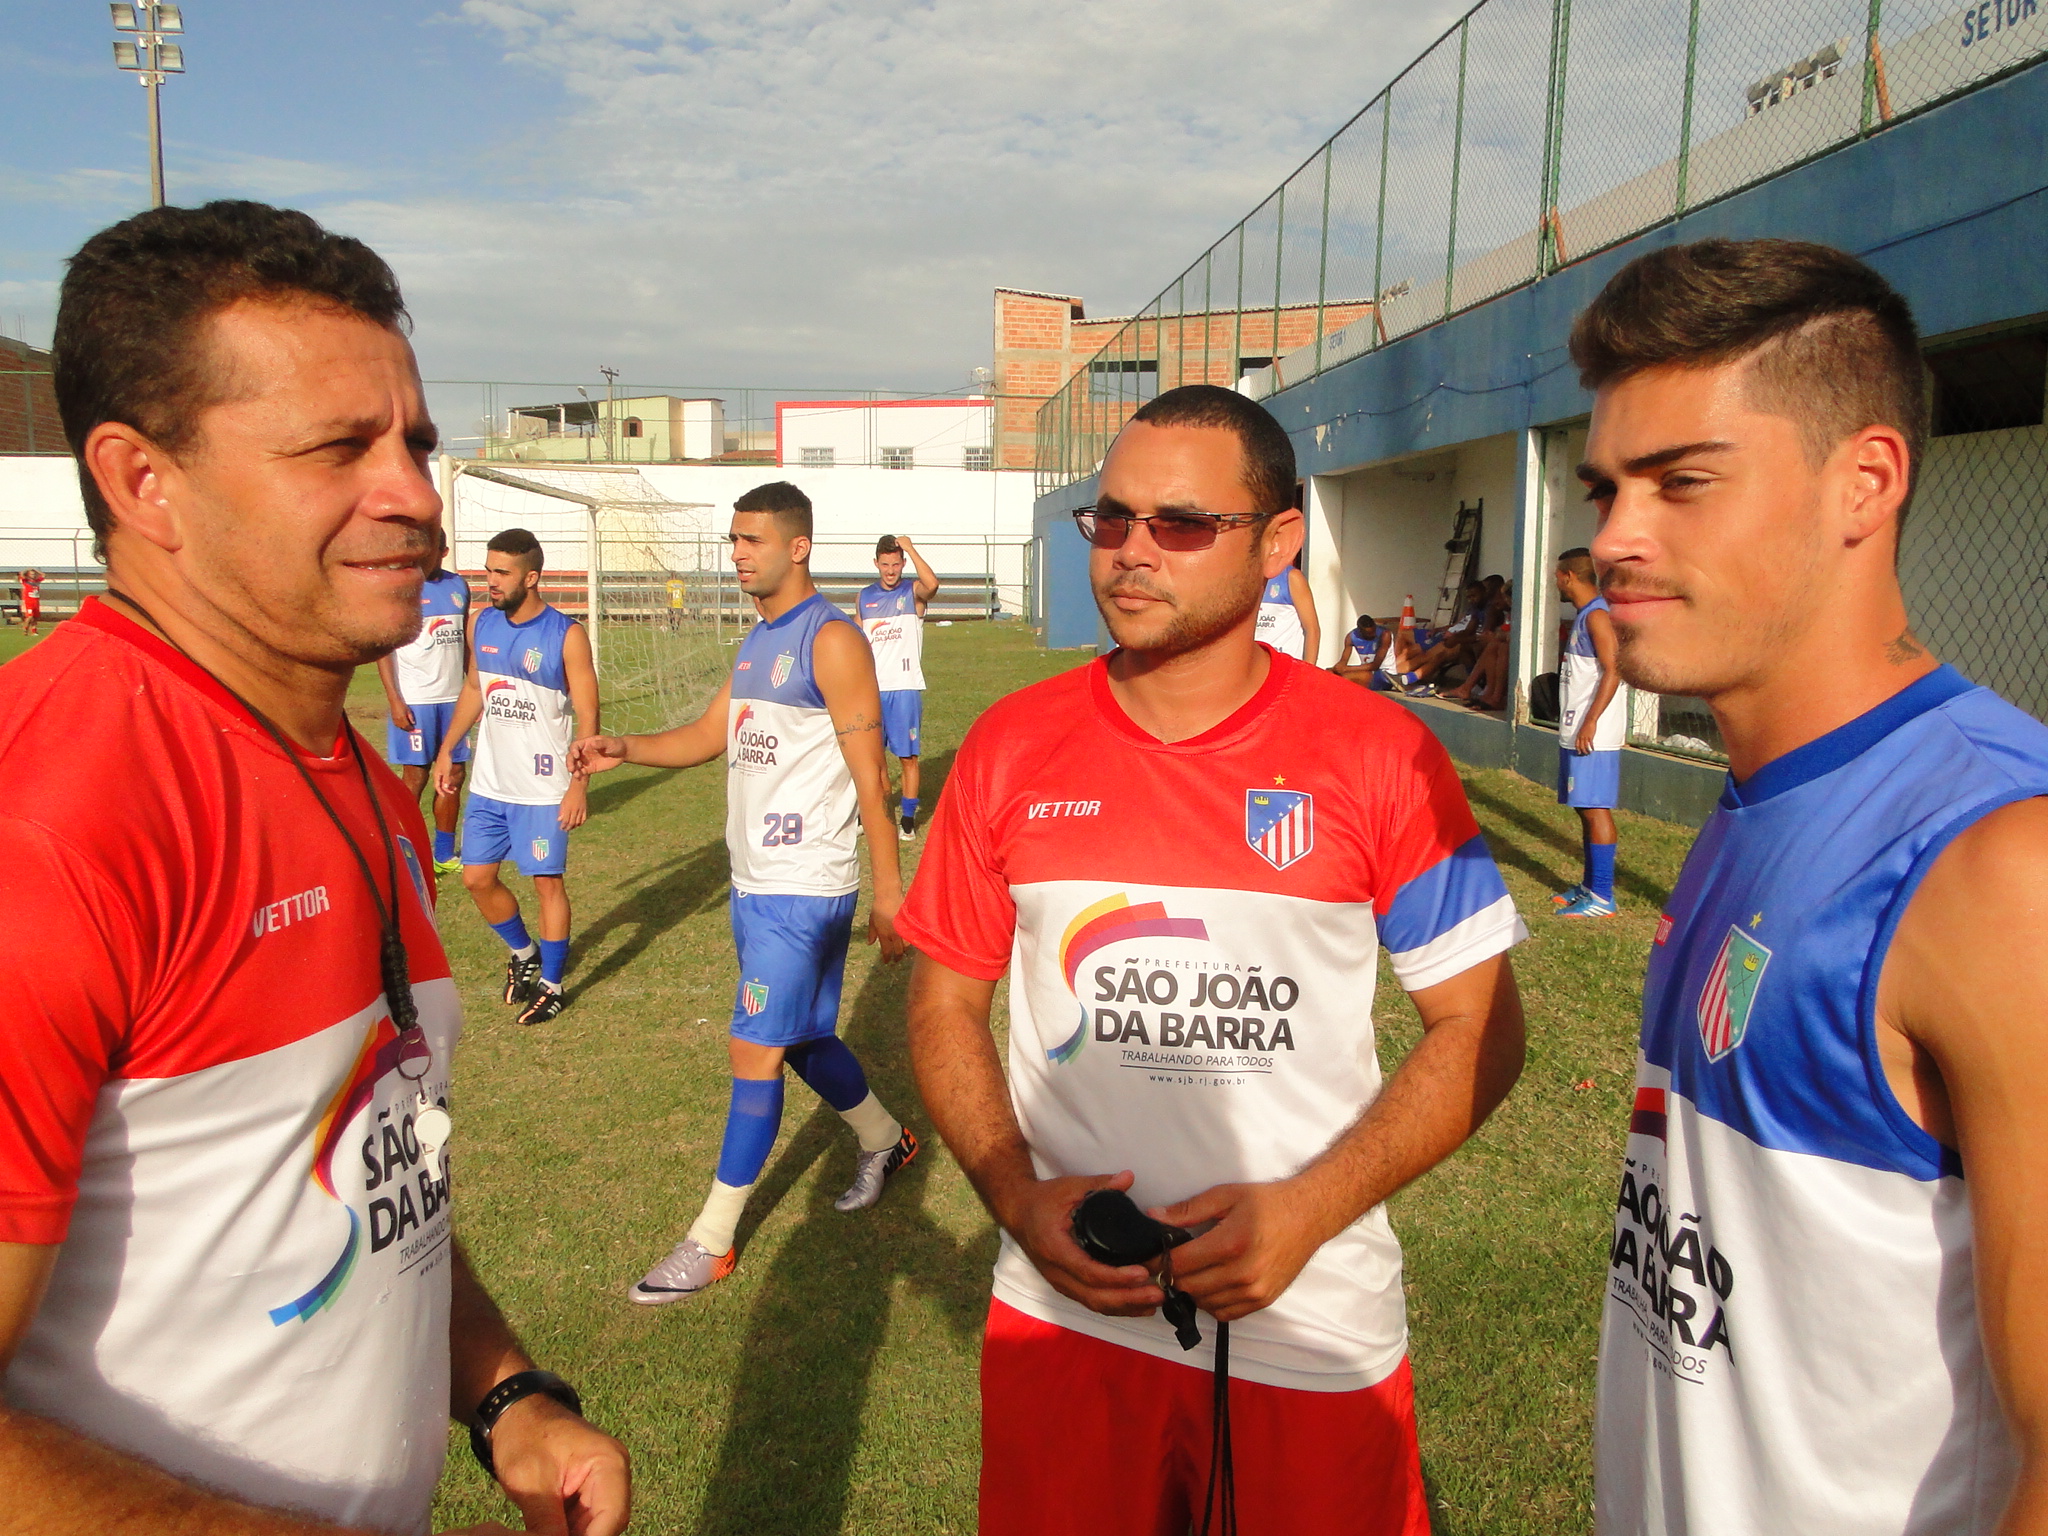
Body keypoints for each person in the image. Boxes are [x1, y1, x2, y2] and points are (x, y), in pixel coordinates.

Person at [0, 200, 627, 1536]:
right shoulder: (48, 826)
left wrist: (504, 1394)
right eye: (339, 447)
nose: (415, 494)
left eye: (415, 443)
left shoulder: (355, 780)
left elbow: (350, 1174)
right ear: (142, 480)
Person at [897, 384, 1528, 1535]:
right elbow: (943, 1002)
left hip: (1309, 1331)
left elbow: (1479, 1026)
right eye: (1111, 518)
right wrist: (1013, 1197)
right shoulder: (1009, 747)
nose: (1132, 552)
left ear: (1275, 542)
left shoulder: (1379, 755)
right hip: (1065, 1319)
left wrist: (1308, 1211)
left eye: (1181, 523)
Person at [1577, 238, 2048, 1535]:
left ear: (1865, 481)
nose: (1614, 537)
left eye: (1681, 482)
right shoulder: (1755, 799)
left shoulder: (1996, 861)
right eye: (1606, 487)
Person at [569, 482, 920, 1305]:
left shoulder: (832, 640)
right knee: (798, 1037)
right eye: (733, 539)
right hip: (753, 883)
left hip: (805, 888)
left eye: (751, 540)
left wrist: (890, 891)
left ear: (797, 547)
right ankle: (886, 1138)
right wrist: (626, 746)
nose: (736, 554)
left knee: (753, 1047)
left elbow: (872, 777)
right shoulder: (757, 642)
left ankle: (712, 1241)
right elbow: (706, 735)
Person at [432, 528, 595, 1026]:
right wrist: (448, 749)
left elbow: (589, 717)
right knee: (477, 878)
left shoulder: (566, 635)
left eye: (502, 573)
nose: (491, 581)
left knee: (547, 883)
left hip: (542, 789)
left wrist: (579, 785)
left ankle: (553, 984)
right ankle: (524, 953)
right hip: (489, 785)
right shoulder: (481, 623)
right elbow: (474, 688)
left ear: (531, 577)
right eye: (488, 571)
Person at [378, 526, 471, 874]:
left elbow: (464, 642)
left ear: (443, 552)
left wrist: (471, 690)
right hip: (416, 700)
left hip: (453, 701)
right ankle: (400, 851)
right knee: (415, 776)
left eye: (430, 549)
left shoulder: (458, 586)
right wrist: (395, 699)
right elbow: (385, 648)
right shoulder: (401, 588)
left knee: (455, 773)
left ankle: (443, 855)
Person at [1552, 548, 1623, 916]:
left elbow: (1614, 668)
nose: (1555, 583)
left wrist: (1592, 720)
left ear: (1568, 577)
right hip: (1576, 727)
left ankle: (1603, 896)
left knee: (1595, 809)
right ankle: (1589, 886)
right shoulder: (1584, 615)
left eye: (1557, 577)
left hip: (1593, 733)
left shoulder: (1597, 615)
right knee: (1583, 808)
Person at [857, 532, 938, 839]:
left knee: (907, 758)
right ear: (876, 564)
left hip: (904, 689)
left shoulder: (912, 592)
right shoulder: (864, 597)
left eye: (895, 564)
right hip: (871, 691)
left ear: (903, 564)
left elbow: (932, 584)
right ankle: (869, 815)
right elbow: (855, 639)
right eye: (885, 564)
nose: (890, 571)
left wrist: (911, 549)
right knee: (870, 759)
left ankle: (907, 818)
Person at [1253, 560, 1321, 662]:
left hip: (1286, 664)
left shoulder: (1291, 577)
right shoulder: (1245, 578)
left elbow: (1312, 629)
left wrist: (1308, 668)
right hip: (1257, 665)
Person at [1331, 612, 1392, 684]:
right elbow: (1343, 661)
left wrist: (1346, 668)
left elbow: (1375, 666)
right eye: (1368, 633)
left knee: (1346, 677)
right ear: (1360, 631)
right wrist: (1338, 668)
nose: (1372, 634)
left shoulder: (1384, 634)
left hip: (1384, 673)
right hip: (1367, 671)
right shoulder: (1351, 637)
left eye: (1373, 631)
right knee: (1329, 673)